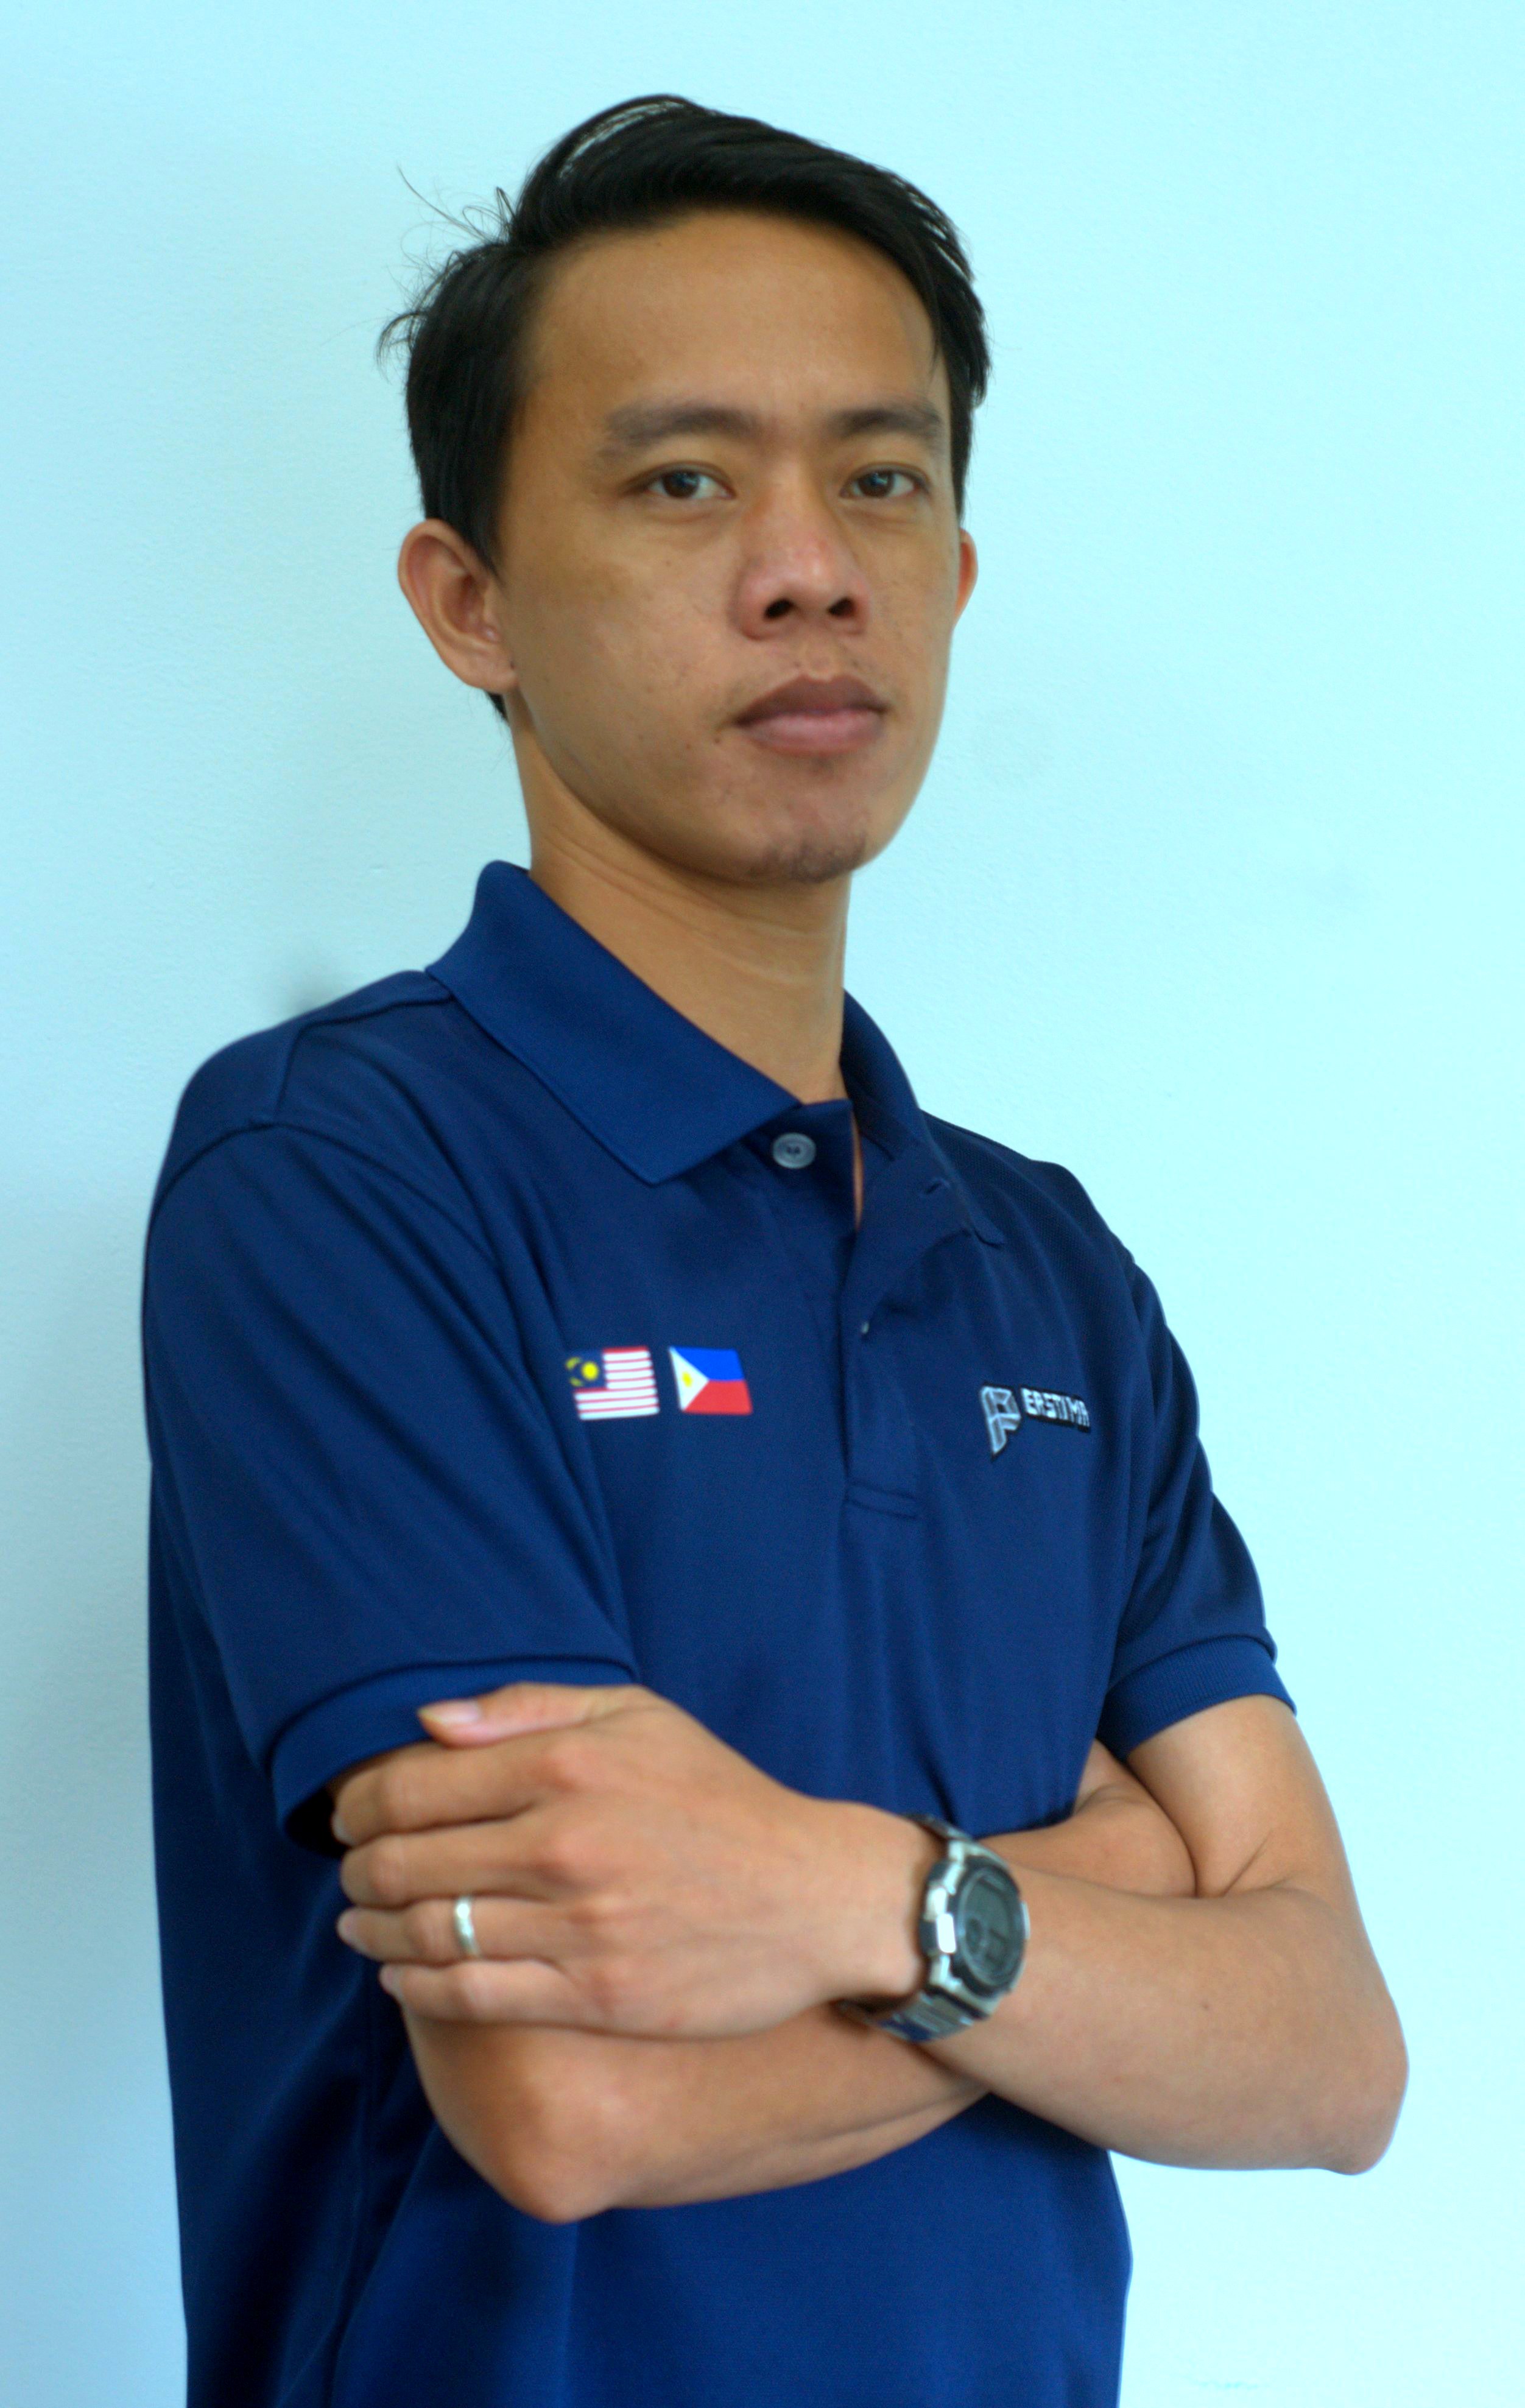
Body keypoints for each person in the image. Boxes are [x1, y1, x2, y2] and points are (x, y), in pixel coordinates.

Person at [142, 94, 1405, 2408]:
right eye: (683, 483)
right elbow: (572, 2104)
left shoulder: (1049, 1269)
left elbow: (1330, 2055)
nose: (811, 568)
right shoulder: (340, 1172)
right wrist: (1111, 1899)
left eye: (882, 478)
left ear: (958, 571)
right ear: (469, 602)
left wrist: (853, 1899)